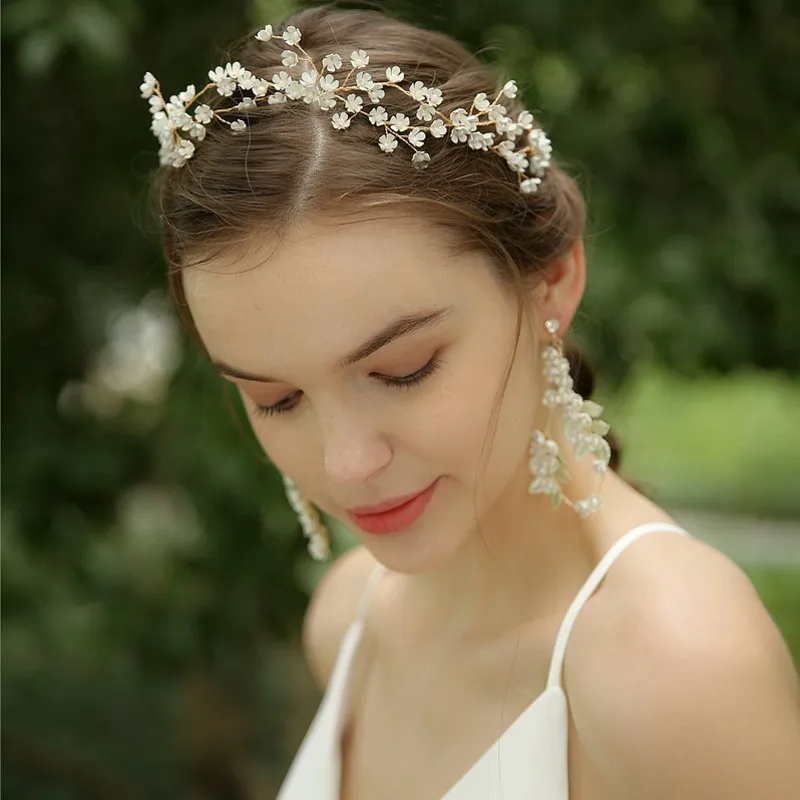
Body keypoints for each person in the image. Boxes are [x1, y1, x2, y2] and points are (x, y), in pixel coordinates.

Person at [141, 5, 800, 798]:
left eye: (405, 368)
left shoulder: (676, 666)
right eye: (276, 399)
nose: (347, 463)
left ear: (551, 281)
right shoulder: (350, 620)